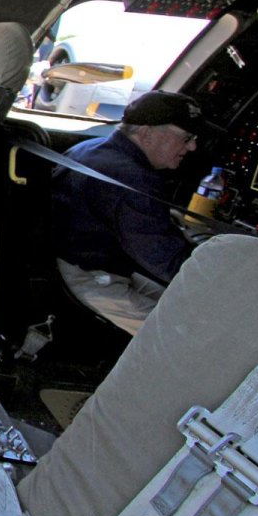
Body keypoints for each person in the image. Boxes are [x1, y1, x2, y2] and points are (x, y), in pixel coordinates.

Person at [51, 90, 204, 334]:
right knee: (188, 335)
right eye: (186, 138)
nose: (193, 146)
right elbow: (166, 260)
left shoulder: (92, 148)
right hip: (87, 275)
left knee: (195, 306)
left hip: (94, 261)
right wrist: (225, 279)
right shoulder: (133, 179)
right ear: (147, 133)